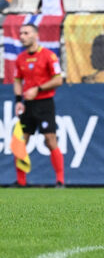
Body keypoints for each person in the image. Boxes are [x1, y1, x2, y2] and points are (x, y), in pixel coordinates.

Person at [13, 23, 64, 187]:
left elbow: (58, 79)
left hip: (44, 103)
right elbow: (17, 80)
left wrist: (38, 89)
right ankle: (21, 182)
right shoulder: (20, 58)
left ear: (36, 35)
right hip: (27, 104)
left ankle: (60, 180)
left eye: (26, 33)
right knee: (21, 141)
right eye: (21, 33)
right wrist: (18, 101)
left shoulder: (49, 56)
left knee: (50, 140)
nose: (22, 36)